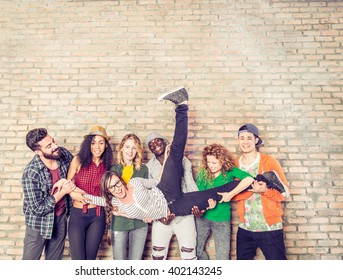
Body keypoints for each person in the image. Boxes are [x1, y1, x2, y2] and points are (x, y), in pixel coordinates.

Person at [86, 86, 258, 222]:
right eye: (112, 188)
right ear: (108, 191)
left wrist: (168, 159)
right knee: (214, 195)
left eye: (117, 183)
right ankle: (264, 180)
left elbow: (156, 181)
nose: (116, 188)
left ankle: (181, 105)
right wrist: (70, 189)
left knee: (175, 151)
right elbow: (93, 199)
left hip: (165, 191)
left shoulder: (134, 183)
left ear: (121, 181)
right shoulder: (115, 202)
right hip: (175, 208)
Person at [233, 123, 290, 260]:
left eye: (249, 138)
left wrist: (264, 190)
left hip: (270, 228)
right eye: (242, 138)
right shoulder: (235, 165)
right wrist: (248, 191)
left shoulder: (268, 161)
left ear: (256, 140)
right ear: (238, 140)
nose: (245, 142)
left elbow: (285, 194)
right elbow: (232, 194)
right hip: (245, 228)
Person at [22, 128, 75, 260]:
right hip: (38, 224)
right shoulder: (31, 173)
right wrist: (62, 192)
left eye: (53, 141)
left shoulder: (62, 154)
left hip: (60, 218)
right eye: (49, 146)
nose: (55, 146)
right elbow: (38, 208)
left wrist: (65, 181)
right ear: (38, 152)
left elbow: (77, 171)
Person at [193, 144, 253, 260]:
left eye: (214, 163)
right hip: (202, 219)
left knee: (223, 256)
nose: (210, 165)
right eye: (208, 162)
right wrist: (206, 206)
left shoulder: (230, 171)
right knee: (196, 250)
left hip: (222, 220)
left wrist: (230, 194)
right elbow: (200, 196)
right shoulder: (203, 174)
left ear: (222, 161)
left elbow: (249, 179)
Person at [145, 131, 198, 260]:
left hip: (184, 215)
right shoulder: (149, 167)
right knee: (157, 257)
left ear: (164, 141)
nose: (155, 145)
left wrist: (197, 204)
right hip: (162, 217)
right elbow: (151, 193)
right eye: (151, 144)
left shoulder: (181, 159)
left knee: (189, 255)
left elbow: (189, 181)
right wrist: (159, 215)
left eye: (157, 140)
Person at [66, 125, 113, 260]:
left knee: (90, 259)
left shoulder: (108, 164)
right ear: (88, 144)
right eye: (93, 143)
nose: (97, 146)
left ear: (106, 146)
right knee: (78, 260)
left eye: (101, 142)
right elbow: (68, 184)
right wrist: (72, 193)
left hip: (98, 216)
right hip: (78, 215)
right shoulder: (78, 160)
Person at [110, 134, 149, 260]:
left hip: (139, 224)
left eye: (134, 148)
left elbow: (148, 195)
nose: (130, 151)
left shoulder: (143, 170)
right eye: (127, 147)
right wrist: (112, 210)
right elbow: (107, 197)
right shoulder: (113, 170)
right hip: (119, 223)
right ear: (121, 148)